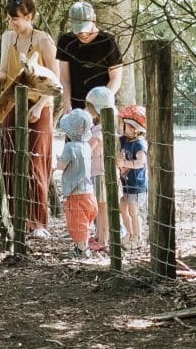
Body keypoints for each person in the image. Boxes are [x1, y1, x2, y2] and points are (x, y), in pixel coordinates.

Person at [0, 0, 60, 239]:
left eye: (16, 18)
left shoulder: (44, 41)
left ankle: (38, 222)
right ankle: (17, 218)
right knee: (9, 159)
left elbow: (55, 82)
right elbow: (7, 74)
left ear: (30, 17)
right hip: (13, 104)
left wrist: (39, 106)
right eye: (10, 18)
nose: (12, 23)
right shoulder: (8, 38)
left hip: (39, 107)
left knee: (35, 162)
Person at [56, 0, 123, 115]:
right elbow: (64, 77)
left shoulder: (108, 41)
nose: (83, 34)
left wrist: (97, 105)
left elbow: (115, 79)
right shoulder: (65, 41)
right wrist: (67, 103)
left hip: (103, 107)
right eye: (78, 30)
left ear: (94, 20)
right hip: (75, 108)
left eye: (86, 29)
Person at [55, 108, 98, 259]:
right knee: (85, 221)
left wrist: (57, 161)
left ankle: (82, 250)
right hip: (89, 192)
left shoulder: (70, 147)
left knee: (77, 222)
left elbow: (62, 165)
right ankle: (82, 247)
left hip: (75, 191)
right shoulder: (86, 146)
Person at [84, 85, 116, 253]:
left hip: (100, 173)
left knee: (102, 207)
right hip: (101, 172)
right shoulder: (108, 127)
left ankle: (103, 238)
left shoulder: (98, 130)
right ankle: (99, 235)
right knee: (101, 206)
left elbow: (88, 148)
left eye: (90, 108)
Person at [118, 104, 148, 250]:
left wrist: (124, 163)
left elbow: (140, 163)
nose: (124, 128)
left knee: (133, 212)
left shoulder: (139, 144)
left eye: (127, 126)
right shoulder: (125, 140)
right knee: (123, 208)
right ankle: (129, 233)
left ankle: (137, 237)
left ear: (135, 129)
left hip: (137, 185)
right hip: (126, 185)